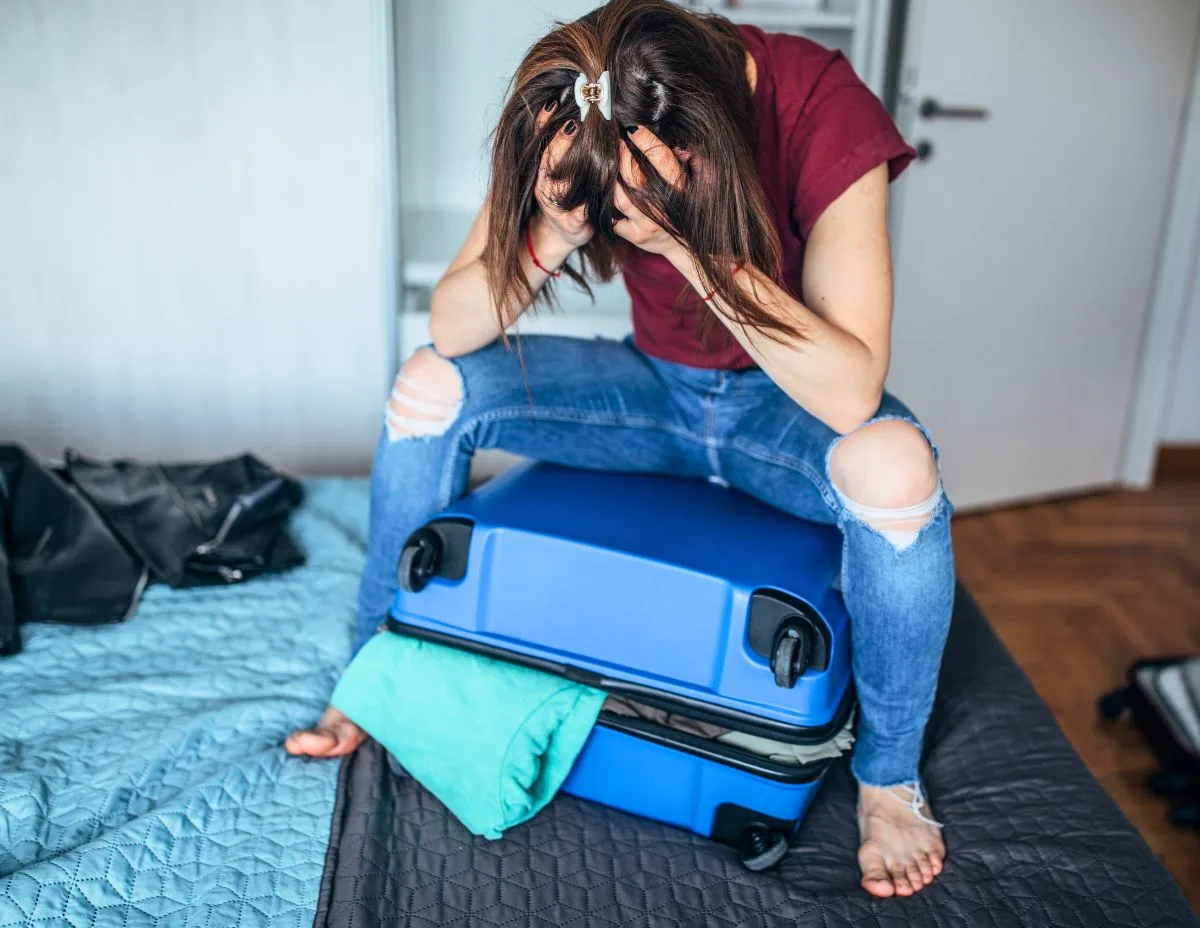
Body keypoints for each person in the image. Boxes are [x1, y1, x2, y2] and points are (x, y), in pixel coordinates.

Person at [287, 0, 953, 898]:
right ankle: (376, 669)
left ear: (709, 139)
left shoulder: (816, 100)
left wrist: (689, 244)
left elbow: (849, 389)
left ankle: (888, 779)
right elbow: (452, 327)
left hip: (781, 415)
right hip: (651, 397)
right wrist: (555, 228)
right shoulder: (575, 101)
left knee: (896, 466)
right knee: (427, 388)